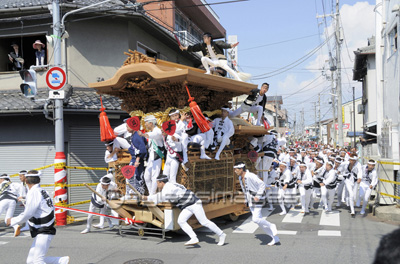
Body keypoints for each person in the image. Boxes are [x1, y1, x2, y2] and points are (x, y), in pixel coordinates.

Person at [144, 174, 227, 246]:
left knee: (204, 221)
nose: (157, 185)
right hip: (187, 205)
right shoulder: (172, 184)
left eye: (157, 183)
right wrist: (148, 198)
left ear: (161, 182)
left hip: (194, 203)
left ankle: (221, 234)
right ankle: (194, 238)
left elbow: (161, 197)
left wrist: (147, 198)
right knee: (181, 221)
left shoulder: (168, 188)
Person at [7, 170, 69, 264]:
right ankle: (61, 261)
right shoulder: (42, 190)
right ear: (38, 180)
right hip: (43, 228)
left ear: (26, 181)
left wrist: (12, 221)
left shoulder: (34, 192)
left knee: (37, 261)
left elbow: (28, 213)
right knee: (31, 261)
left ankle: (61, 261)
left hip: (44, 229)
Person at [234, 162, 279, 246]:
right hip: (250, 200)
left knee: (255, 219)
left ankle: (272, 225)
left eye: (236, 169)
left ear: (241, 169)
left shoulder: (251, 175)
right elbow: (245, 190)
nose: (235, 171)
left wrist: (258, 195)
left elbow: (262, 184)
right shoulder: (240, 178)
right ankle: (275, 238)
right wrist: (245, 199)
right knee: (259, 222)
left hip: (258, 199)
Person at [141, 115, 164, 195]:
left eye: (146, 123)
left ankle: (152, 195)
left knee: (154, 176)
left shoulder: (157, 131)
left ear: (151, 123)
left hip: (157, 155)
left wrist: (142, 134)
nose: (145, 125)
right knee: (146, 176)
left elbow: (149, 135)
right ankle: (152, 194)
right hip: (151, 156)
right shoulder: (152, 132)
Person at [126, 116, 148, 196]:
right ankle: (131, 195)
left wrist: (137, 160)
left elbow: (142, 149)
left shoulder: (137, 136)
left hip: (137, 161)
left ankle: (136, 195)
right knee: (130, 178)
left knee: (136, 178)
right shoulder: (134, 135)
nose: (127, 128)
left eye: (128, 126)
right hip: (134, 160)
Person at [342, 153, 362, 217]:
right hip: (348, 180)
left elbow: (360, 171)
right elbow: (340, 167)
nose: (352, 161)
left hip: (355, 181)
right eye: (351, 160)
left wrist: (359, 178)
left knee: (354, 196)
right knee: (351, 194)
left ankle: (349, 202)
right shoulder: (346, 163)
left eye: (353, 160)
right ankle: (352, 210)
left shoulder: (358, 164)